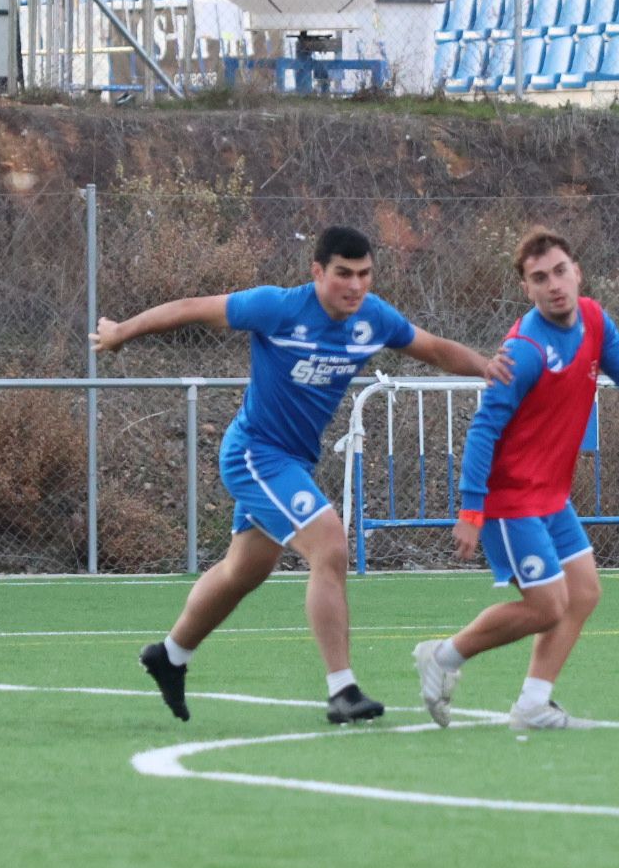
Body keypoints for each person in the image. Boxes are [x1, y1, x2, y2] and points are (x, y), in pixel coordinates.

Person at [91, 226, 511, 725]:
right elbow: (190, 308)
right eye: (343, 275)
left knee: (243, 571)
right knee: (330, 543)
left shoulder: (373, 319)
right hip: (255, 454)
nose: (355, 286)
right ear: (317, 272)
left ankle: (171, 655)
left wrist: (487, 368)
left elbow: (435, 348)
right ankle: (342, 690)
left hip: (291, 462)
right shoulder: (277, 308)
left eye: (364, 275)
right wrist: (121, 332)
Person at [413, 227, 619, 730]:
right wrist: (471, 508)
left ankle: (533, 704)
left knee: (585, 593)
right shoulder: (524, 350)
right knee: (549, 607)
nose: (553, 284)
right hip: (510, 499)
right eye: (539, 278)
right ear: (525, 289)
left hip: (550, 496)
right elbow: (483, 428)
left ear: (577, 272)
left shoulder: (593, 318)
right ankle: (443, 657)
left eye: (559, 271)